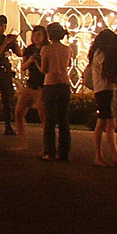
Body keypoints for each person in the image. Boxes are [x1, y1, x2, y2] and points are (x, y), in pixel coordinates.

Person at [85, 29, 117, 166]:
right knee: (103, 122)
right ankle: (98, 155)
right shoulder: (101, 54)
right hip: (104, 90)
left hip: (104, 90)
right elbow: (108, 73)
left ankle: (115, 154)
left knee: (110, 123)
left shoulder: (98, 53)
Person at [40, 21, 73, 161]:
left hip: (51, 84)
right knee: (63, 120)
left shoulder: (46, 49)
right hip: (64, 84)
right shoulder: (67, 49)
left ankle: (50, 152)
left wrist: (36, 63)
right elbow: (68, 64)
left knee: (50, 120)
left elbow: (44, 69)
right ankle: (64, 152)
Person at [14, 25, 48, 142]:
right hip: (30, 85)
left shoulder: (46, 49)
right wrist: (30, 60)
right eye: (35, 34)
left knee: (43, 116)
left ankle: (47, 143)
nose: (36, 37)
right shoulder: (29, 49)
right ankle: (22, 139)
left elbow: (45, 70)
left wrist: (38, 61)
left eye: (39, 35)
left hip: (42, 86)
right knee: (19, 112)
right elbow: (22, 67)